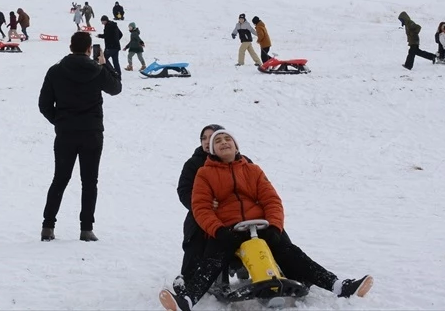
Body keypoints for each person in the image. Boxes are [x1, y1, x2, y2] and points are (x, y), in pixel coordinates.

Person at [159, 129, 373, 311]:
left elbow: (271, 200)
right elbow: (201, 207)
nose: (224, 142)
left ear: (236, 146)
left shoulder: (252, 170)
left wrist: (274, 226)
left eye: (228, 140)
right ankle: (186, 300)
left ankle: (339, 285)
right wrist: (218, 231)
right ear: (212, 150)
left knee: (292, 252)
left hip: (259, 226)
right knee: (211, 261)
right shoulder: (204, 174)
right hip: (227, 231)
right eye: (218, 141)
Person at [37, 31, 122, 242]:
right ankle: (86, 229)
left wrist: (59, 121)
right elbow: (116, 88)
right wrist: (105, 63)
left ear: (70, 47)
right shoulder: (98, 70)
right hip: (92, 134)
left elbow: (44, 105)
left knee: (60, 179)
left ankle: (48, 226)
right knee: (89, 181)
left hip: (66, 134)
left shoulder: (55, 71)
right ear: (88, 48)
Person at [175, 125, 229, 282]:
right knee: (197, 235)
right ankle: (189, 280)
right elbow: (184, 190)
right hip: (202, 212)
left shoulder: (237, 160)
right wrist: (202, 204)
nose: (207, 141)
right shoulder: (193, 164)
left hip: (234, 213)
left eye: (212, 137)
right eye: (203, 138)